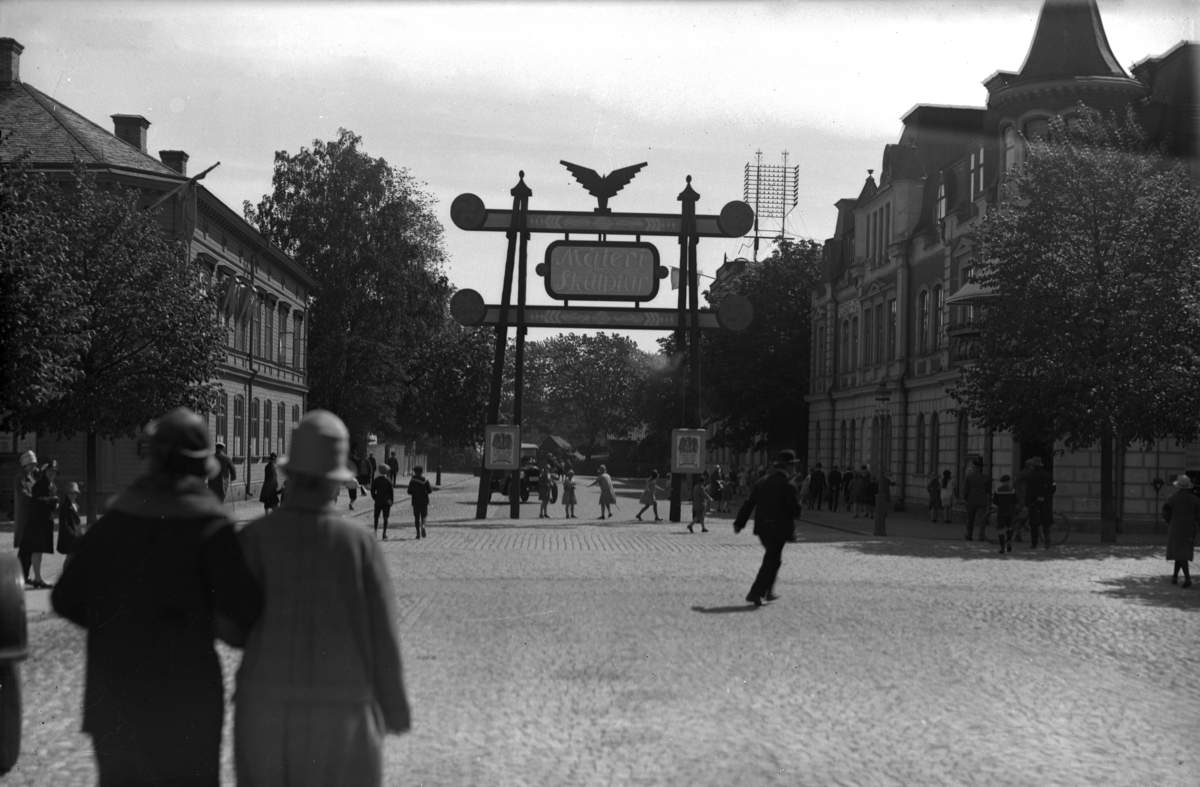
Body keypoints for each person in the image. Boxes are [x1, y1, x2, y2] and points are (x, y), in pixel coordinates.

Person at [51, 408, 262, 787]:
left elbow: (65, 599)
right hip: (188, 700)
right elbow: (246, 615)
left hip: (115, 697)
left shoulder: (113, 524)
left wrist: (117, 624)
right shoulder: (211, 530)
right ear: (200, 470)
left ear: (152, 461)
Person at [232, 410, 410, 787]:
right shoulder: (358, 544)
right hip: (341, 710)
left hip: (265, 709)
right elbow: (383, 633)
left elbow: (230, 626)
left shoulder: (254, 539)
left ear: (291, 476)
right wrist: (394, 706)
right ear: (335, 483)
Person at [733, 450, 802, 607]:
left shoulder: (762, 481)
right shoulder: (788, 485)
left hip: (762, 528)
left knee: (774, 559)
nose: (794, 469)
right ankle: (756, 593)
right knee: (771, 560)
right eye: (793, 465)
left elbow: (749, 503)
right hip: (779, 530)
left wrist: (739, 523)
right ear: (788, 466)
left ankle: (768, 591)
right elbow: (795, 511)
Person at [23, 459, 59, 588]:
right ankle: (38, 579)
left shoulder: (52, 485)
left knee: (39, 550)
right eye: (50, 470)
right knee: (37, 550)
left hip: (45, 522)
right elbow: (36, 501)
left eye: (54, 471)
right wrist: (52, 500)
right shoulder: (39, 484)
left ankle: (38, 578)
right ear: (45, 471)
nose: (52, 473)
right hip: (38, 522)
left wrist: (55, 504)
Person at [1162, 474, 1199, 588]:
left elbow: (1165, 513)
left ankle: (1187, 579)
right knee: (1182, 553)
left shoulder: (1171, 498)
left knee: (1179, 553)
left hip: (1175, 527)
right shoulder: (1196, 500)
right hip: (1189, 529)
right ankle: (1175, 576)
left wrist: (1169, 521)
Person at [1025, 457, 1056, 549]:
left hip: (1034, 503)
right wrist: (1045, 496)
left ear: (1033, 466)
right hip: (1045, 503)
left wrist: (1026, 504)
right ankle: (1047, 540)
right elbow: (1053, 488)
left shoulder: (1030, 476)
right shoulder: (1048, 475)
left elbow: (1028, 491)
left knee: (1034, 524)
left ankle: (1034, 544)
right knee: (1046, 523)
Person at [962, 460, 993, 541]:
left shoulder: (968, 477)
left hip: (971, 501)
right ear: (980, 468)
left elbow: (965, 491)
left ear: (973, 467)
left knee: (970, 519)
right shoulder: (986, 478)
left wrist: (966, 499)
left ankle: (969, 535)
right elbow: (988, 490)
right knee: (982, 520)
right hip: (982, 501)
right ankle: (981, 536)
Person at [58, 480, 83, 567]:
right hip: (70, 536)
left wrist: (80, 534)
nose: (73, 495)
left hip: (76, 534)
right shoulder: (65, 506)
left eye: (75, 493)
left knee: (75, 556)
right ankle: (66, 573)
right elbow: (64, 524)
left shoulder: (75, 504)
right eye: (70, 493)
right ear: (66, 494)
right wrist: (72, 535)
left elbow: (77, 522)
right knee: (70, 556)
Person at [992, 474, 1018, 554]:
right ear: (1008, 481)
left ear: (1002, 482)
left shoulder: (997, 490)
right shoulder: (1012, 490)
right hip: (1010, 511)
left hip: (1001, 512)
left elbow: (994, 501)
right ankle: (1009, 543)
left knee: (1001, 528)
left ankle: (1002, 546)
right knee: (1009, 527)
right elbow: (1015, 501)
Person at [407, 466, 433, 539]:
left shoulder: (412, 481)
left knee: (416, 517)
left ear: (415, 472)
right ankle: (423, 526)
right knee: (423, 515)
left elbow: (409, 491)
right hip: (424, 500)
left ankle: (418, 534)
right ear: (422, 472)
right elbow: (430, 491)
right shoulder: (425, 480)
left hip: (415, 501)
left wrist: (414, 492)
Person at [370, 464, 394, 539]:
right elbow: (391, 492)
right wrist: (391, 501)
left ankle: (375, 532)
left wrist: (375, 497)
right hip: (387, 500)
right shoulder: (388, 480)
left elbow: (372, 491)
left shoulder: (376, 480)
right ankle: (384, 533)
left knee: (376, 517)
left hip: (378, 500)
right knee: (385, 517)